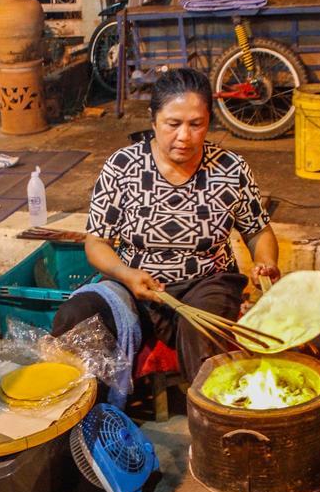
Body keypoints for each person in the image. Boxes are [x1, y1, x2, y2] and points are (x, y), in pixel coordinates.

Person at [52, 67, 280, 391]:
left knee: (200, 331)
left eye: (195, 124)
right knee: (77, 316)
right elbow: (97, 243)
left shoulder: (230, 168)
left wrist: (265, 262)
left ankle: (212, 429)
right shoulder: (122, 167)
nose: (184, 136)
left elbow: (258, 231)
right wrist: (126, 273)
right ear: (153, 120)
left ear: (209, 122)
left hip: (208, 283)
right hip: (132, 285)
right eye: (173, 124)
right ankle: (90, 420)